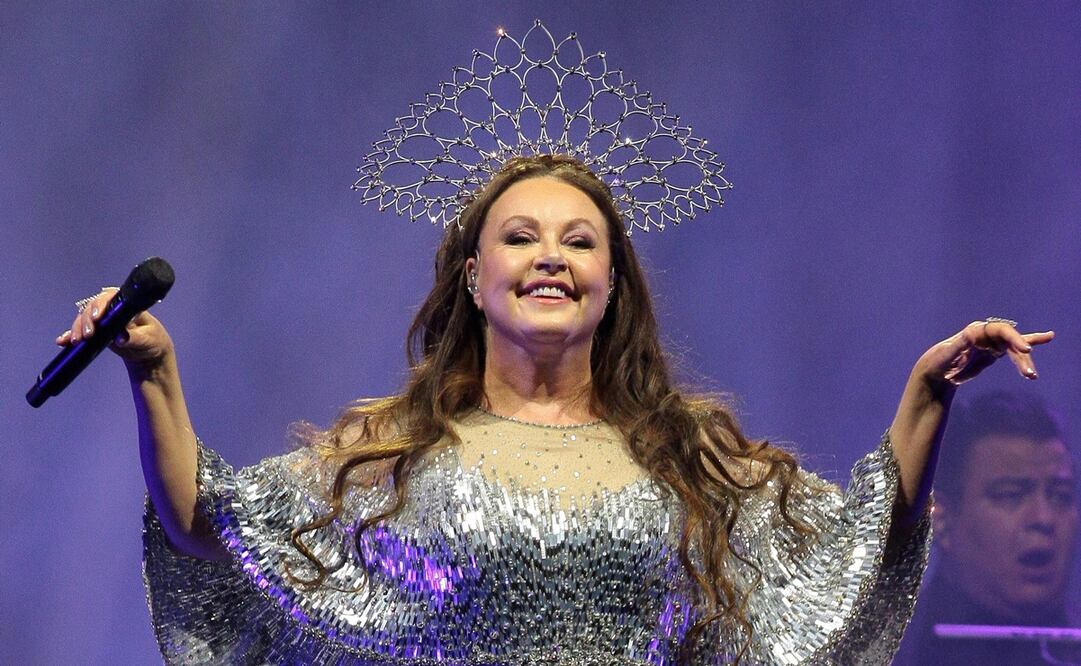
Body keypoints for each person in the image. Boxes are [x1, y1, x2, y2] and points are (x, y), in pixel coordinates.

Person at [55, 24, 1057, 666]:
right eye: (521, 238)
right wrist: (157, 373)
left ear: (612, 283)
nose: (551, 257)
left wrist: (926, 396)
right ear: (472, 278)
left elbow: (849, 554)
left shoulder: (689, 460)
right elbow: (210, 523)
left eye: (581, 242)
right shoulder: (394, 462)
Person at [897, 391, 1078, 665]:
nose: (1044, 518)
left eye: (1060, 496)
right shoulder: (886, 652)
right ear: (941, 519)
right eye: (1011, 495)